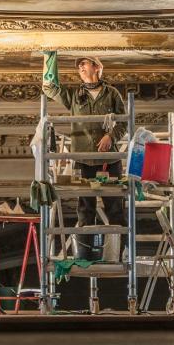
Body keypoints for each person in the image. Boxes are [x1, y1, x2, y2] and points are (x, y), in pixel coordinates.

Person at [40, 51, 127, 258]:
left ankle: (116, 253)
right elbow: (49, 89)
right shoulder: (74, 95)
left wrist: (110, 137)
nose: (80, 67)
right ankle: (85, 255)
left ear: (97, 67)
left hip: (109, 160)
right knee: (85, 208)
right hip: (83, 159)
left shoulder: (112, 93)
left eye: (85, 64)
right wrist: (49, 60)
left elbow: (124, 122)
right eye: (79, 66)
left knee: (114, 207)